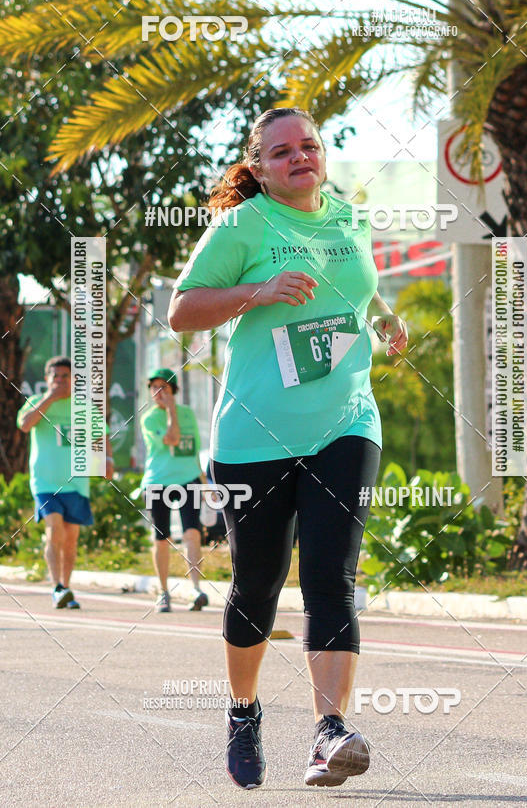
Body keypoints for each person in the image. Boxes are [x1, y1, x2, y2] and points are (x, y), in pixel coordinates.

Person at [168, 107, 408, 789]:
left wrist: (383, 319)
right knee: (257, 584)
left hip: (345, 420)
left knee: (332, 577)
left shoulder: (349, 218)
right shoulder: (242, 226)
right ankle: (243, 711)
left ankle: (329, 732)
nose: (299, 158)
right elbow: (181, 311)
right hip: (254, 433)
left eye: (309, 146)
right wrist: (257, 291)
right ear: (260, 170)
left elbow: (360, 293)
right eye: (282, 152)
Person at [16, 356, 113, 609]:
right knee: (54, 529)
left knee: (70, 540)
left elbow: (101, 435)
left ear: (74, 380)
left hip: (76, 484)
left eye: (65, 377)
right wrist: (49, 398)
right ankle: (57, 586)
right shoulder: (37, 403)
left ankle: (66, 588)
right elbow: (25, 425)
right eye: (55, 377)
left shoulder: (84, 407)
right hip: (45, 482)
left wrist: (108, 459)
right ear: (47, 379)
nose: (59, 381)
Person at [140, 368, 209, 613]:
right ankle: (163, 591)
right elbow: (171, 439)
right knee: (162, 538)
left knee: (193, 532)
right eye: (154, 387)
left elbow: (193, 447)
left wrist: (204, 481)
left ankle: (196, 588)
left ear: (174, 390)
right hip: (158, 481)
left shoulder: (187, 413)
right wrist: (169, 410)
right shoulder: (148, 418)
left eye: (164, 387)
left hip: (188, 478)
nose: (159, 392)